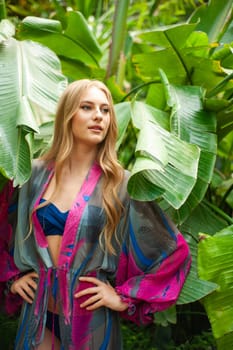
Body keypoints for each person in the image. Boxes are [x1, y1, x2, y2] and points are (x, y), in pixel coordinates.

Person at [2, 79, 191, 350]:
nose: (98, 117)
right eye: (87, 107)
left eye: (105, 110)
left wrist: (121, 297)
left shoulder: (121, 184)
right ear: (68, 115)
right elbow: (3, 230)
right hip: (38, 313)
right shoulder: (31, 176)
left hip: (90, 318)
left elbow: (174, 252)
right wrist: (13, 279)